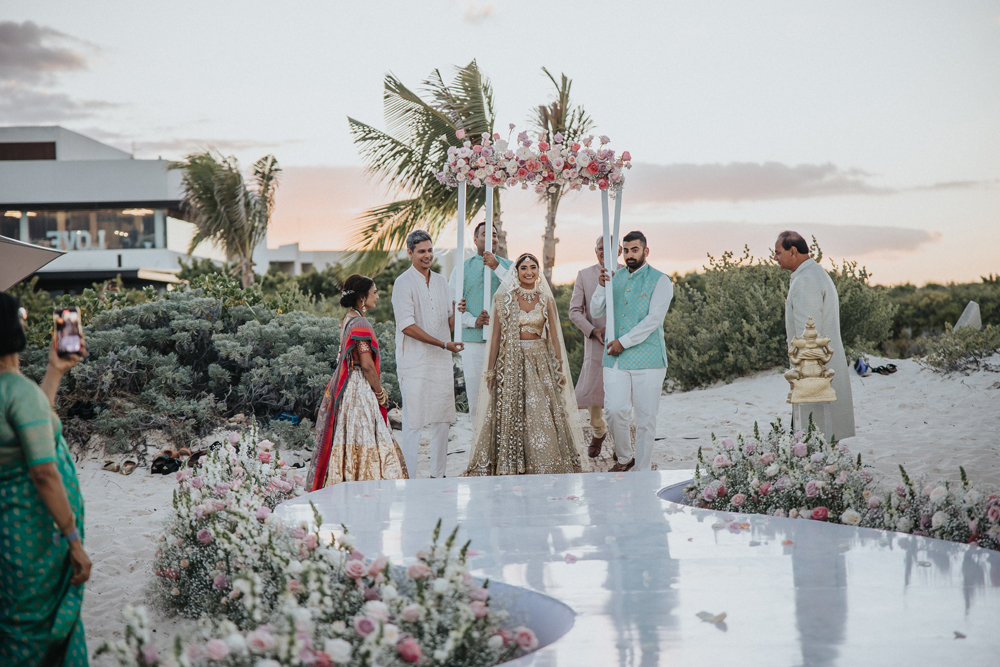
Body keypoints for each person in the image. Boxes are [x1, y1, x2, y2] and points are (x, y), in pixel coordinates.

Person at [0, 292, 92, 666]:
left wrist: (54, 371)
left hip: (7, 529)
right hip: (31, 535)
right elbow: (43, 471)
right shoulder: (18, 392)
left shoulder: (16, 393)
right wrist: (73, 540)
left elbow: (37, 422)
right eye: (20, 315)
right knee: (32, 629)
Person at [465, 253, 586, 476]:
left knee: (540, 411)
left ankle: (542, 462)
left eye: (533, 267)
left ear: (538, 271)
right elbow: (494, 339)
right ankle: (512, 462)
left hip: (540, 363)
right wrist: (491, 371)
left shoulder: (545, 300)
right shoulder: (504, 300)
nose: (529, 272)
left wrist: (559, 368)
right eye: (523, 268)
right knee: (512, 412)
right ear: (516, 272)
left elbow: (555, 337)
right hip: (511, 363)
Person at [306, 275, 408, 489]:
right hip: (359, 386)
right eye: (374, 292)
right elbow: (367, 364)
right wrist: (380, 393)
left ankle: (347, 480)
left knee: (348, 433)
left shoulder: (348, 318)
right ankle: (365, 482)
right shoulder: (360, 322)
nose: (377, 296)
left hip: (348, 385)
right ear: (362, 297)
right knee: (366, 433)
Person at [592, 231, 674, 472]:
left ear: (646, 251)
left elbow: (653, 320)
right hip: (615, 359)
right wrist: (600, 287)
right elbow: (596, 311)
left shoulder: (661, 280)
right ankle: (625, 458)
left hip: (648, 358)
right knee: (614, 410)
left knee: (645, 419)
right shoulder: (613, 277)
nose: (629, 255)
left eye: (634, 250)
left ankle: (643, 470)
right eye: (626, 250)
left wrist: (624, 342)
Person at [392, 230, 464, 478]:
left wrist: (458, 313)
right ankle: (411, 477)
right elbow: (407, 326)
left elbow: (447, 325)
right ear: (410, 253)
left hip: (440, 362)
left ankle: (438, 475)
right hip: (414, 361)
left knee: (442, 420)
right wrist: (444, 344)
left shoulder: (442, 282)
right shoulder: (403, 283)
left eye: (430, 250)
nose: (427, 255)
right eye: (421, 251)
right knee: (413, 422)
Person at [774, 231, 855, 439]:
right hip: (822, 366)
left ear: (793, 252)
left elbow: (808, 330)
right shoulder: (814, 273)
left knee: (814, 434)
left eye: (777, 252)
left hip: (814, 372)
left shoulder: (805, 280)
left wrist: (803, 373)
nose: (775, 258)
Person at [449, 221, 512, 420]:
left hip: (505, 341)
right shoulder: (461, 269)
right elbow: (454, 309)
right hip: (473, 342)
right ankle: (478, 446)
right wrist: (474, 321)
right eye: (486, 234)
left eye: (495, 235)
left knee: (505, 396)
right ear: (475, 239)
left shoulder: (510, 267)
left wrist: (496, 267)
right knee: (477, 398)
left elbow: (520, 293)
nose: (492, 238)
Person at [569, 235, 620, 459]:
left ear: (619, 250)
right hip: (595, 341)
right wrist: (592, 330)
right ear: (595, 251)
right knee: (593, 394)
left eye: (609, 248)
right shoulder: (584, 275)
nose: (604, 252)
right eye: (600, 248)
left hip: (623, 343)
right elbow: (574, 311)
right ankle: (598, 431)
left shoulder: (628, 273)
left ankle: (621, 445)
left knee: (619, 396)